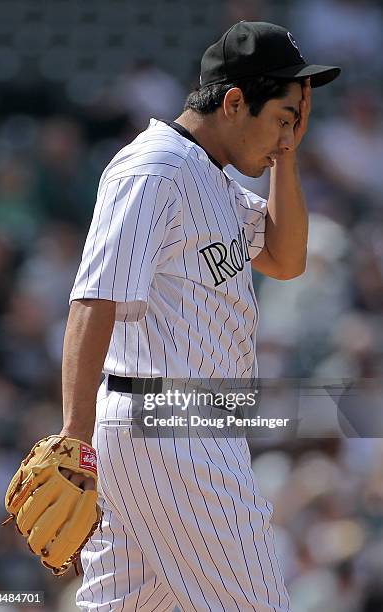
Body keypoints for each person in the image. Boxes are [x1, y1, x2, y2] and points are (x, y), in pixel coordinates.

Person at [60, 21, 340, 611]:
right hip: (170, 425)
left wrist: (285, 155)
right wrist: (73, 441)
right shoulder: (154, 169)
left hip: (174, 429)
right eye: (282, 118)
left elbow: (286, 258)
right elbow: (94, 298)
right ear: (235, 102)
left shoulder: (206, 176)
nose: (288, 133)